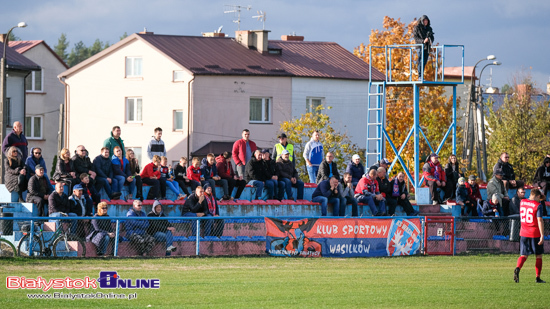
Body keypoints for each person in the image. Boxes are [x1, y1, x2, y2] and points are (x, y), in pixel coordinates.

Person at [514, 188, 546, 283]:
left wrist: (539, 196)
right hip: (534, 232)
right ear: (537, 196)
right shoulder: (538, 205)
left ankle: (517, 268)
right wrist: (542, 235)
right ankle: (537, 277)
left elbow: (530, 200)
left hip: (523, 232)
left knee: (524, 255)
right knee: (538, 255)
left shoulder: (522, 202)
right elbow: (539, 220)